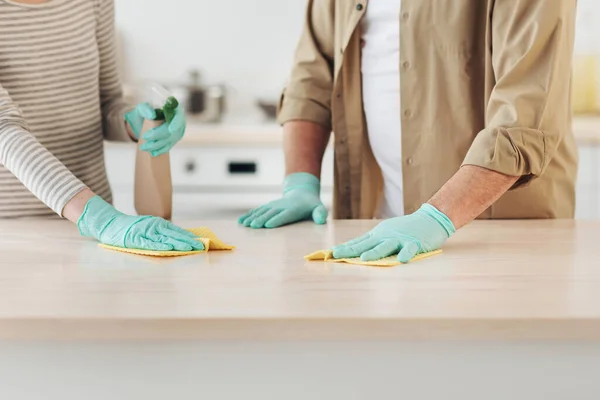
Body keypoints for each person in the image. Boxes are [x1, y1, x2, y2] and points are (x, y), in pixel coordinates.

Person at [239, 0, 577, 262]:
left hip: (496, 235)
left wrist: (437, 219)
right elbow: (311, 79)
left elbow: (523, 117)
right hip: (375, 227)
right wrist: (301, 183)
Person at [0, 0, 203, 252]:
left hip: (95, 233)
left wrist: (134, 123)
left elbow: (108, 102)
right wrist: (99, 218)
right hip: (14, 232)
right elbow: (3, 128)